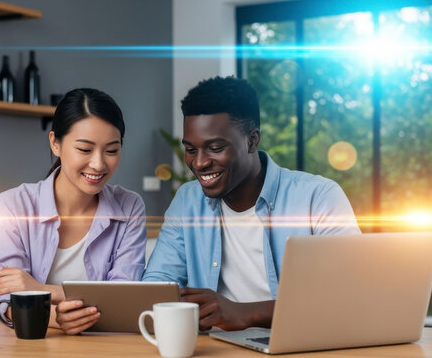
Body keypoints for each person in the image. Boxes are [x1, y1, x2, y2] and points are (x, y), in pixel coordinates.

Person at [143, 76, 360, 331]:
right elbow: (158, 285)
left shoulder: (318, 197)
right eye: (191, 149)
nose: (199, 163)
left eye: (214, 147)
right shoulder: (188, 201)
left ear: (252, 140)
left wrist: (247, 313)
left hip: (296, 345)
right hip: (216, 349)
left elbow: (349, 295)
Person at [0, 88, 146, 335]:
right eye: (85, 150)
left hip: (106, 347)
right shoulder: (12, 205)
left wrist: (40, 290)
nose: (98, 163)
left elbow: (125, 299)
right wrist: (54, 318)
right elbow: (6, 301)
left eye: (112, 150)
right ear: (55, 143)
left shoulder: (129, 207)